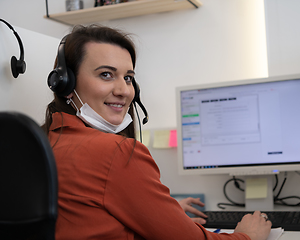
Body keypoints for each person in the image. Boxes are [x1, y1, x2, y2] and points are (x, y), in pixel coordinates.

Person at [42, 24, 272, 240]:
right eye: (106, 74)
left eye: (128, 78)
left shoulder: (46, 141)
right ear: (66, 85)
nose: (124, 91)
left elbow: (87, 217)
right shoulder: (115, 152)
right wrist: (246, 235)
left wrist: (161, 212)